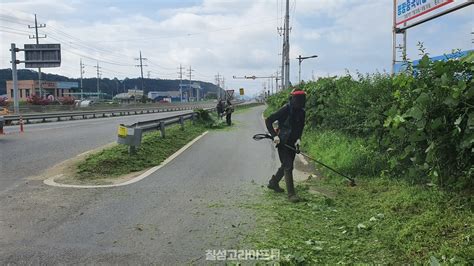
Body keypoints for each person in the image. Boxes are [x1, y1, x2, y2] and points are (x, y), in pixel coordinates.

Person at [265, 89, 306, 203]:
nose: (301, 102)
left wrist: (298, 139)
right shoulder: (285, 109)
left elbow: (300, 127)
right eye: (299, 99)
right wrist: (274, 136)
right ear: (293, 99)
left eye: (302, 100)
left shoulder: (302, 112)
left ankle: (273, 183)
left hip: (293, 142)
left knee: (286, 165)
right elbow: (269, 120)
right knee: (288, 166)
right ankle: (291, 194)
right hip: (282, 141)